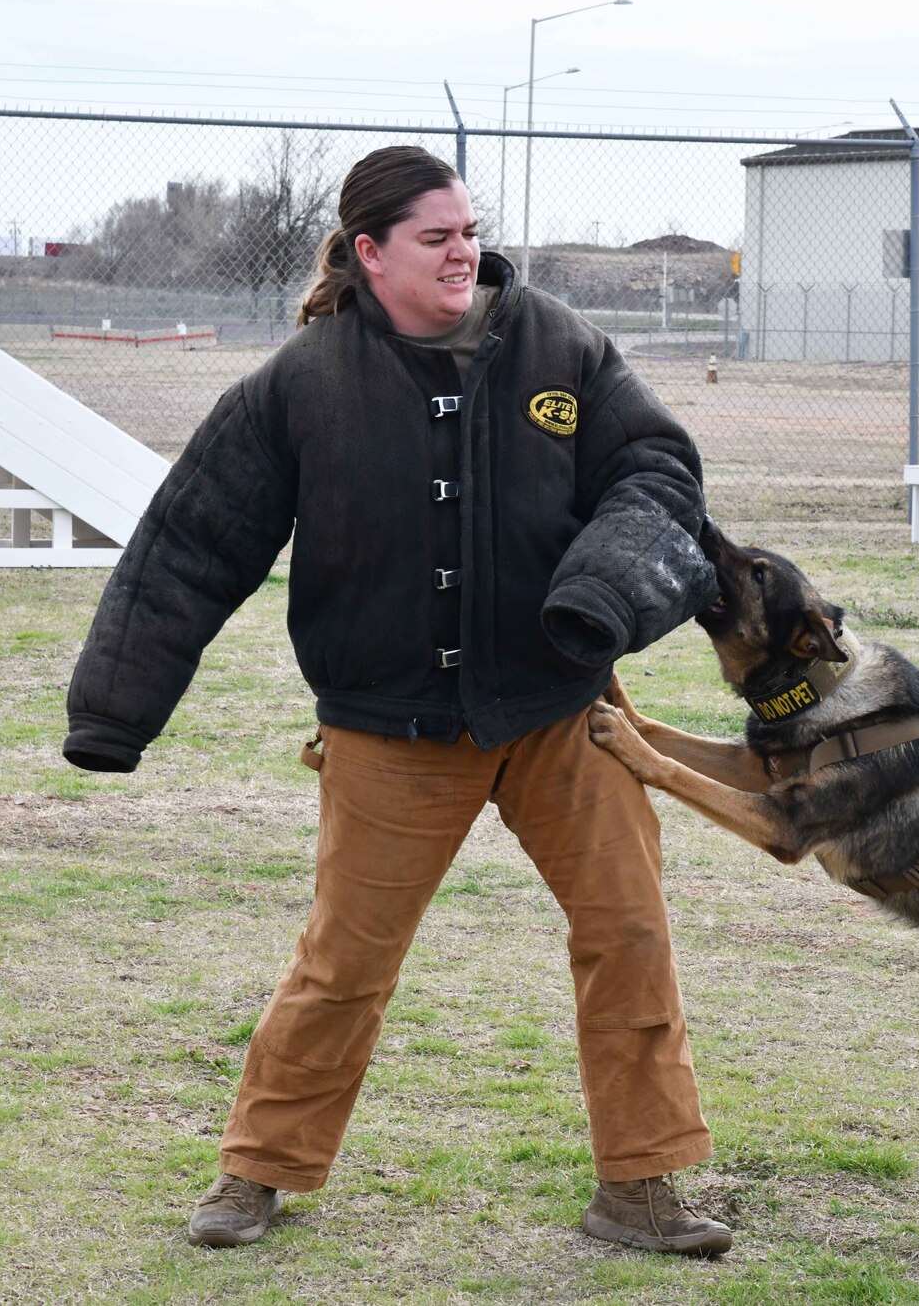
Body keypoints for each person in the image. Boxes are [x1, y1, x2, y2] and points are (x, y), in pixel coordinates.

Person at [62, 146, 729, 1256]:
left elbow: (658, 472)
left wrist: (602, 593)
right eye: (435, 237)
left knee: (628, 934)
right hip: (386, 721)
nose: (463, 251)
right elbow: (190, 542)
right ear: (370, 253)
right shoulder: (302, 381)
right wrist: (113, 713)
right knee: (345, 961)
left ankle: (641, 1185)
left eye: (468, 231)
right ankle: (256, 1175)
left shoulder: (564, 346)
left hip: (562, 710)